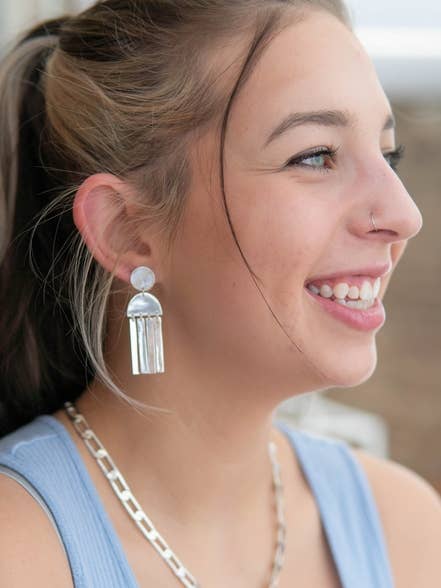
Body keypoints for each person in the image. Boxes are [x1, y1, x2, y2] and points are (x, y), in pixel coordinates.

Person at [0, 0, 439, 586]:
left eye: (389, 155)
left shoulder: (406, 531)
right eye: (315, 156)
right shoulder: (19, 553)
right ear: (126, 229)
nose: (403, 215)